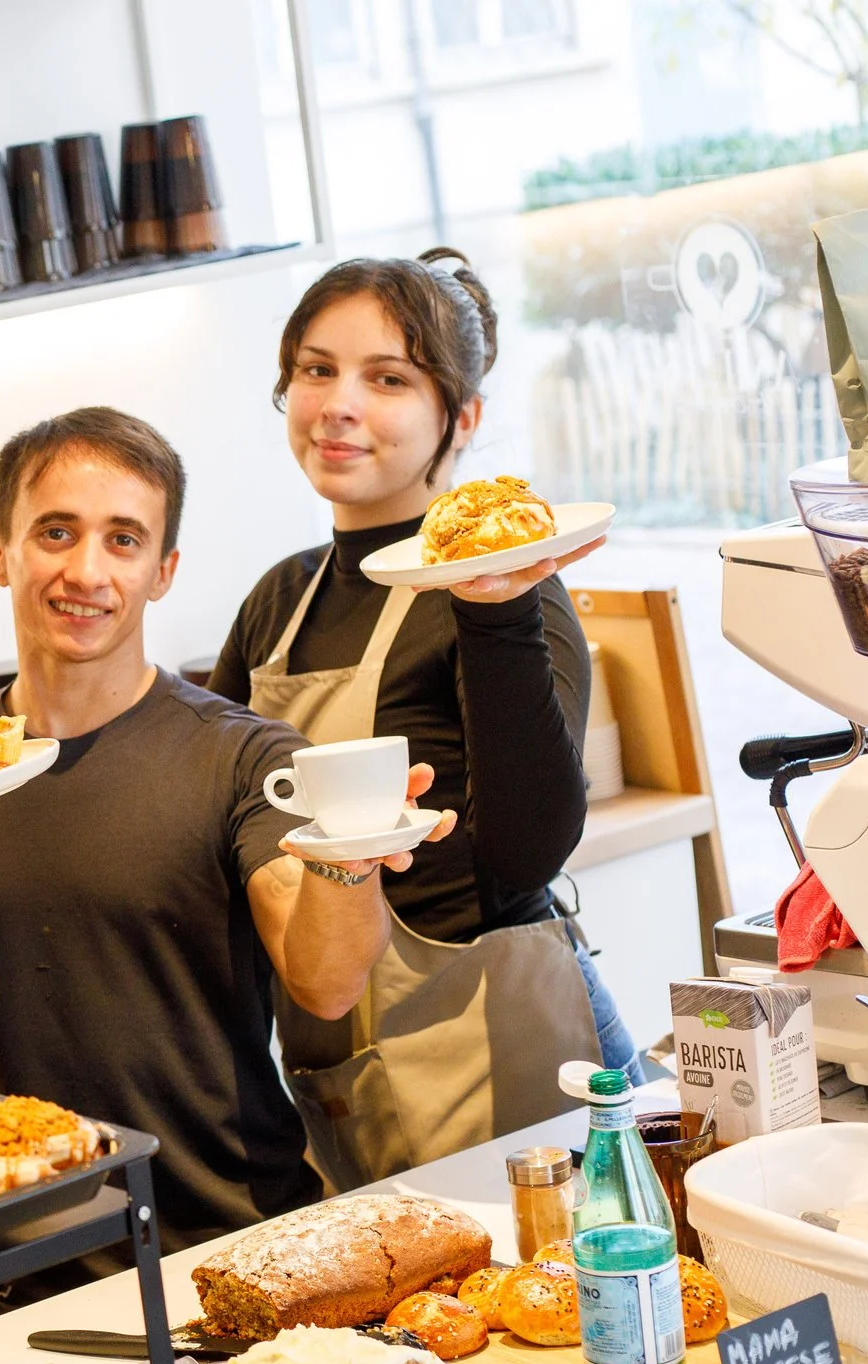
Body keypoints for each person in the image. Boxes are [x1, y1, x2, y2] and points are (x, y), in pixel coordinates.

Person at [0, 406, 452, 1252]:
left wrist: (351, 855)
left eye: (124, 540)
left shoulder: (245, 758)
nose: (87, 571)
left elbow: (326, 981)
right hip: (23, 1259)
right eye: (56, 532)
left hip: (235, 1237)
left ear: (163, 570)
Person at [207, 248, 630, 1191]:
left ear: (462, 417)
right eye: (316, 369)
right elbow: (221, 826)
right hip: (342, 1061)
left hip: (504, 1050)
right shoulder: (279, 601)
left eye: (387, 378)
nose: (338, 404)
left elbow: (528, 856)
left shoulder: (504, 588)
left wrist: (497, 609)